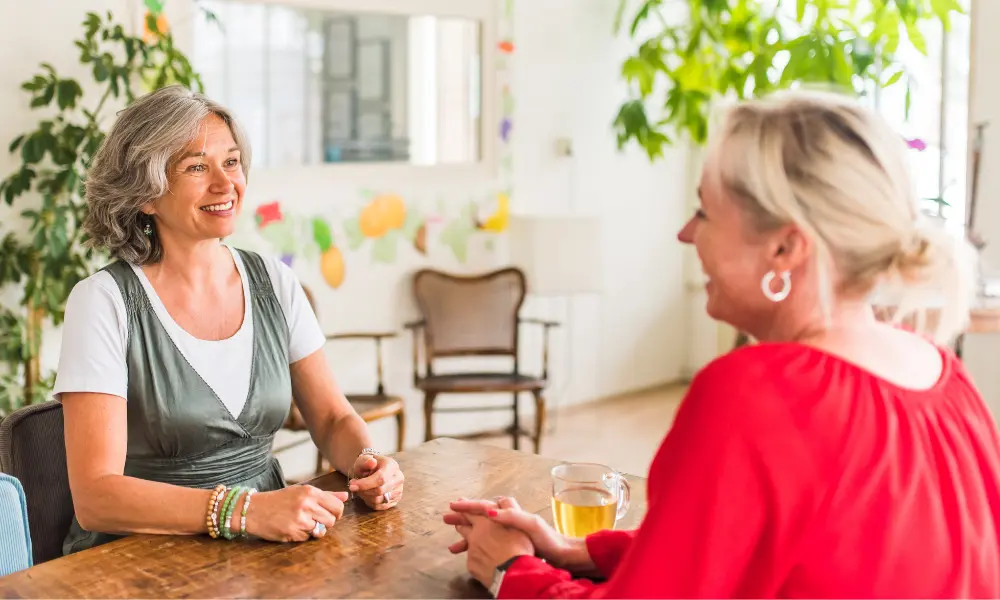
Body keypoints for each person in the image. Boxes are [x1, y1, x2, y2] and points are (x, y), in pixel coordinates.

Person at [443, 89, 1000, 597]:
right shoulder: (943, 377)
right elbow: (777, 553)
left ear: (786, 249)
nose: (685, 233)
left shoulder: (757, 394)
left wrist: (509, 570)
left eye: (704, 211)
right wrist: (575, 552)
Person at [54, 85, 403, 553]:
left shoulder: (275, 283)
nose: (225, 183)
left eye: (232, 162)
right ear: (146, 194)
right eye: (197, 167)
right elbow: (96, 497)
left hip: (265, 544)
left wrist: (367, 458)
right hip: (134, 555)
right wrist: (247, 511)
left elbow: (333, 417)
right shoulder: (102, 302)